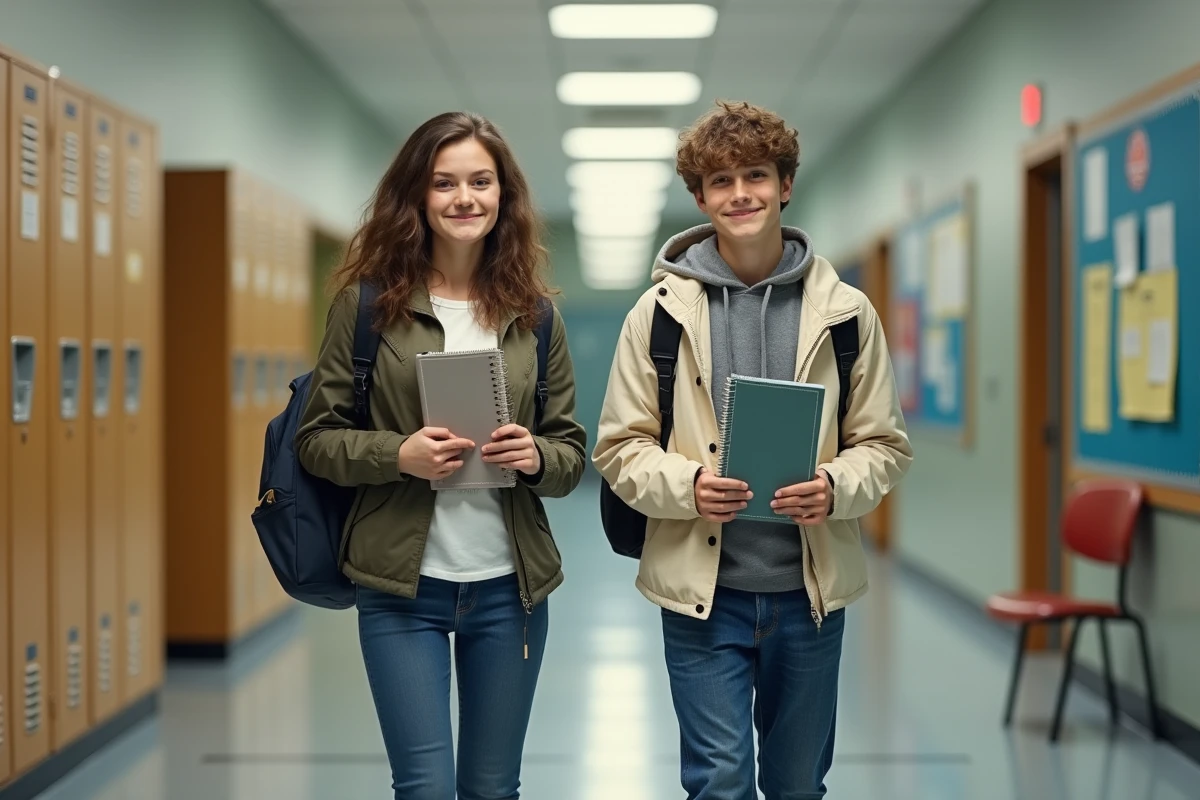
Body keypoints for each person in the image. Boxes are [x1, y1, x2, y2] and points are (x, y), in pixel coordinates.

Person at [592, 100, 913, 799]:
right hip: (703, 595)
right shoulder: (659, 315)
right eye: (721, 181)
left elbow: (883, 445)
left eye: (757, 175)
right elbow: (619, 448)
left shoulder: (847, 314)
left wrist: (834, 485)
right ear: (700, 197)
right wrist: (688, 484)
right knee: (721, 780)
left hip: (810, 594)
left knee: (798, 785)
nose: (740, 193)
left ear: (786, 184)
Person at [296, 111, 586, 800]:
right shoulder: (365, 306)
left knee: (492, 788)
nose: (465, 198)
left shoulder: (536, 316)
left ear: (503, 195)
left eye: (481, 181)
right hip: (401, 590)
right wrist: (401, 454)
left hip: (508, 591)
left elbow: (572, 453)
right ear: (417, 197)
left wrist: (533, 456)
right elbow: (315, 440)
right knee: (422, 787)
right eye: (444, 182)